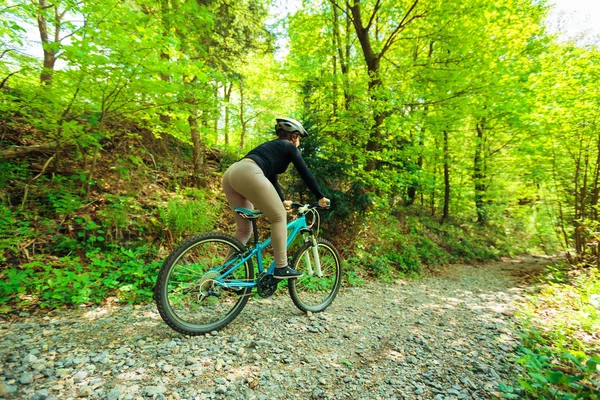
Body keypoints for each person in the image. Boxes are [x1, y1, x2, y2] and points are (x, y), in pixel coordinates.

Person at [222, 117, 330, 279]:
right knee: (279, 217)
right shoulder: (289, 146)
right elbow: (305, 173)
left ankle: (225, 270)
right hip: (249, 172)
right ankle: (281, 267)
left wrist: (281, 199)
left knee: (244, 230)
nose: (298, 141)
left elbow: (271, 176)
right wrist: (320, 196)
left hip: (231, 174)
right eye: (299, 137)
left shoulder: (270, 148)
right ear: (294, 136)